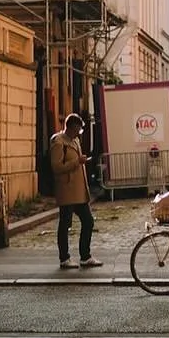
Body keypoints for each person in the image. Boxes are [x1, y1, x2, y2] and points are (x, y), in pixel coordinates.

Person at [49, 113, 101, 269]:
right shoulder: (59, 143)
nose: (79, 132)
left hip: (78, 191)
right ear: (70, 127)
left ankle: (85, 256)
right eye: (77, 129)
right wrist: (76, 162)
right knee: (65, 224)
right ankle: (64, 258)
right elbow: (56, 167)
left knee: (88, 221)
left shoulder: (75, 140)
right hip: (67, 189)